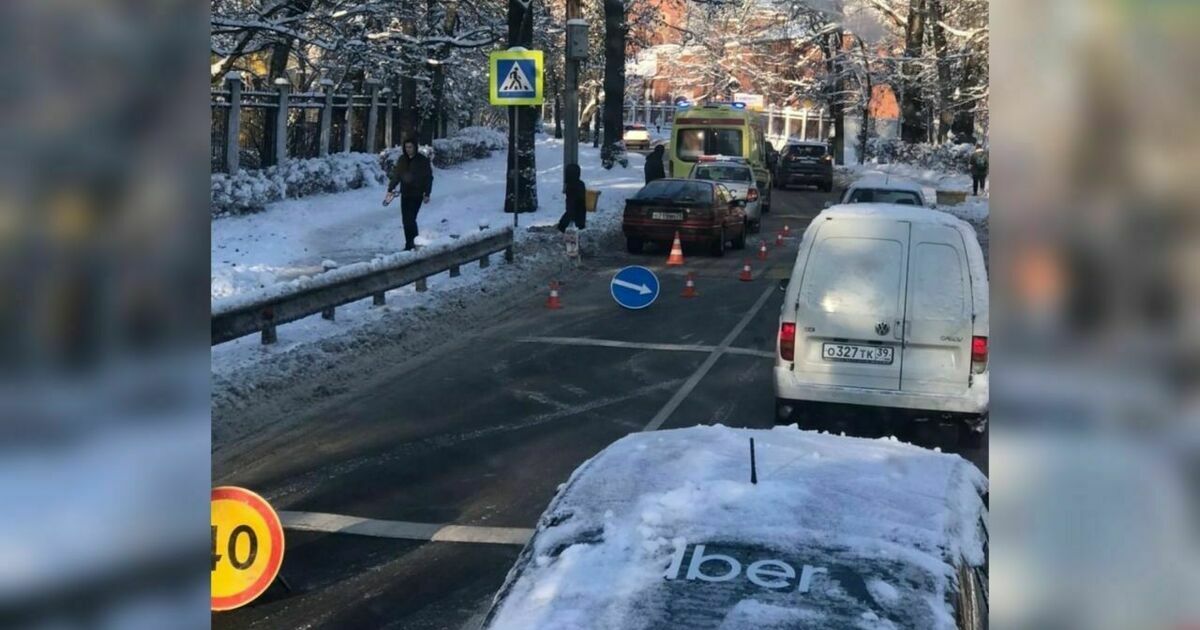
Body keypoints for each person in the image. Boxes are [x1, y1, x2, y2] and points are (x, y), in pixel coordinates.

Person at [383, 138, 434, 250]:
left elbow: (428, 178)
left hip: (417, 194)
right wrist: (391, 188)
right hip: (405, 193)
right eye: (406, 147)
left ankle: (414, 244)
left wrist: (427, 193)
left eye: (410, 147)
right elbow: (397, 175)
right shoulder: (402, 160)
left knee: (410, 219)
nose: (408, 149)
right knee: (406, 221)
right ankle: (409, 244)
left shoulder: (422, 160)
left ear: (415, 147)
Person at [557, 163, 587, 233]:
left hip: (574, 204)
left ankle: (562, 226)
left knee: (571, 212)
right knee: (576, 212)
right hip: (579, 205)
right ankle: (578, 225)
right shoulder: (580, 184)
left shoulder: (570, 185)